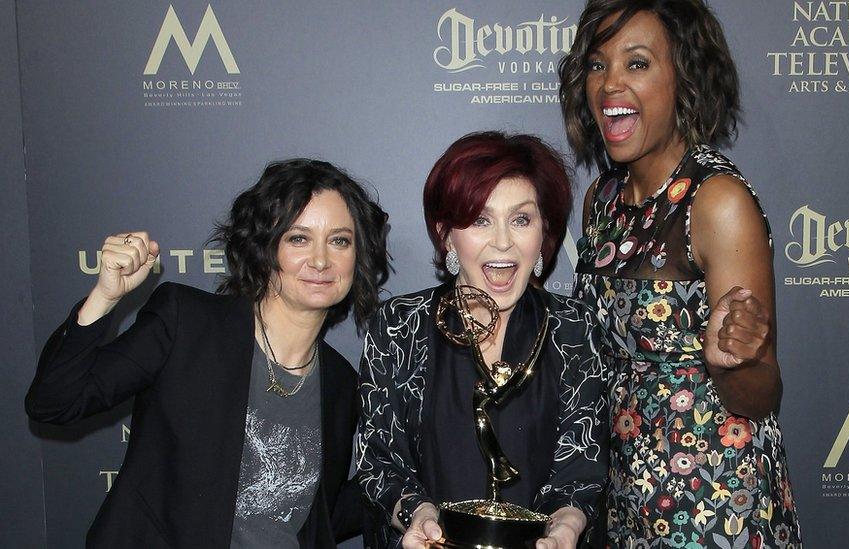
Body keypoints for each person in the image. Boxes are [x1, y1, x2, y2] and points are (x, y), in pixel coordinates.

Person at [25, 159, 390, 548]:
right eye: (298, 238)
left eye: (340, 240)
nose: (320, 260)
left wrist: (418, 490)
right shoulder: (188, 324)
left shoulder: (340, 381)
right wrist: (105, 298)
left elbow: (317, 514)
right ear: (264, 247)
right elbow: (54, 402)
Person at [558, 0, 801, 546]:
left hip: (713, 503)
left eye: (637, 63)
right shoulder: (601, 198)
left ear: (684, 77)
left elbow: (762, 393)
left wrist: (734, 360)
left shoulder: (717, 202)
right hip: (626, 492)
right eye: (597, 65)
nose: (610, 85)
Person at [357, 132, 609, 549]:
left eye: (521, 219)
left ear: (544, 231)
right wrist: (418, 515)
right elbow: (381, 463)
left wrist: (566, 526)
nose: (504, 242)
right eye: (480, 220)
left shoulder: (574, 328)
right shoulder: (399, 325)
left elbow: (581, 471)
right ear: (445, 235)